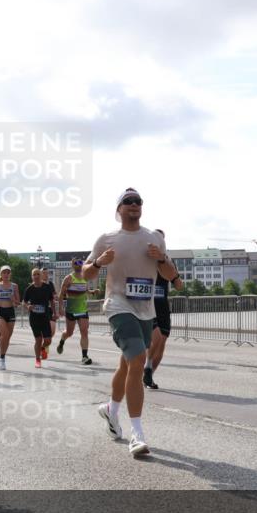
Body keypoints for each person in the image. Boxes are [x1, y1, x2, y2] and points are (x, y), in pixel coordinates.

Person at [85, 187, 171, 457]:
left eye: (138, 201)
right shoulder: (107, 239)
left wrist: (162, 258)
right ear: (119, 209)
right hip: (117, 305)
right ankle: (137, 434)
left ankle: (111, 410)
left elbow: (170, 274)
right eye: (128, 201)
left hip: (145, 309)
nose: (134, 204)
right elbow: (85, 274)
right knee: (137, 360)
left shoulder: (154, 238)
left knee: (127, 364)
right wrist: (98, 263)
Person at [144, 229, 184, 389]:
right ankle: (147, 365)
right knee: (157, 338)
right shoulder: (144, 258)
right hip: (147, 305)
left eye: (161, 239)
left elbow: (179, 285)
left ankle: (148, 376)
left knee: (162, 344)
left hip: (163, 306)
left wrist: (175, 277)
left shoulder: (167, 261)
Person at [57, 258, 93, 365]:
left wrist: (92, 292)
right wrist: (60, 308)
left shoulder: (85, 277)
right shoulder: (68, 278)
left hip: (82, 309)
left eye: (81, 262)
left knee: (84, 331)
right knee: (69, 332)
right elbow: (61, 294)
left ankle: (84, 356)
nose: (79, 264)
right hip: (71, 310)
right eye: (76, 263)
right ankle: (62, 341)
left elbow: (85, 290)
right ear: (72, 265)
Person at [22, 268, 55, 368]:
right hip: (34, 318)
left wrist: (54, 313)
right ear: (32, 277)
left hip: (45, 317)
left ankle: (43, 349)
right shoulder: (29, 289)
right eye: (34, 274)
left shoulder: (47, 287)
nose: (36, 276)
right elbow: (24, 302)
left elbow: (52, 301)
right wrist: (28, 306)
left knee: (48, 340)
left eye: (38, 274)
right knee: (38, 340)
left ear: (41, 276)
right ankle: (37, 360)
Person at [0, 266, 20, 371]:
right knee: (5, 334)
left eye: (8, 272)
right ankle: (2, 359)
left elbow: (18, 302)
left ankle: (1, 355)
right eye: (4, 272)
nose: (6, 274)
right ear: (1, 274)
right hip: (0, 311)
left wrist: (14, 300)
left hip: (10, 312)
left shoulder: (14, 286)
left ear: (10, 274)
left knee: (7, 338)